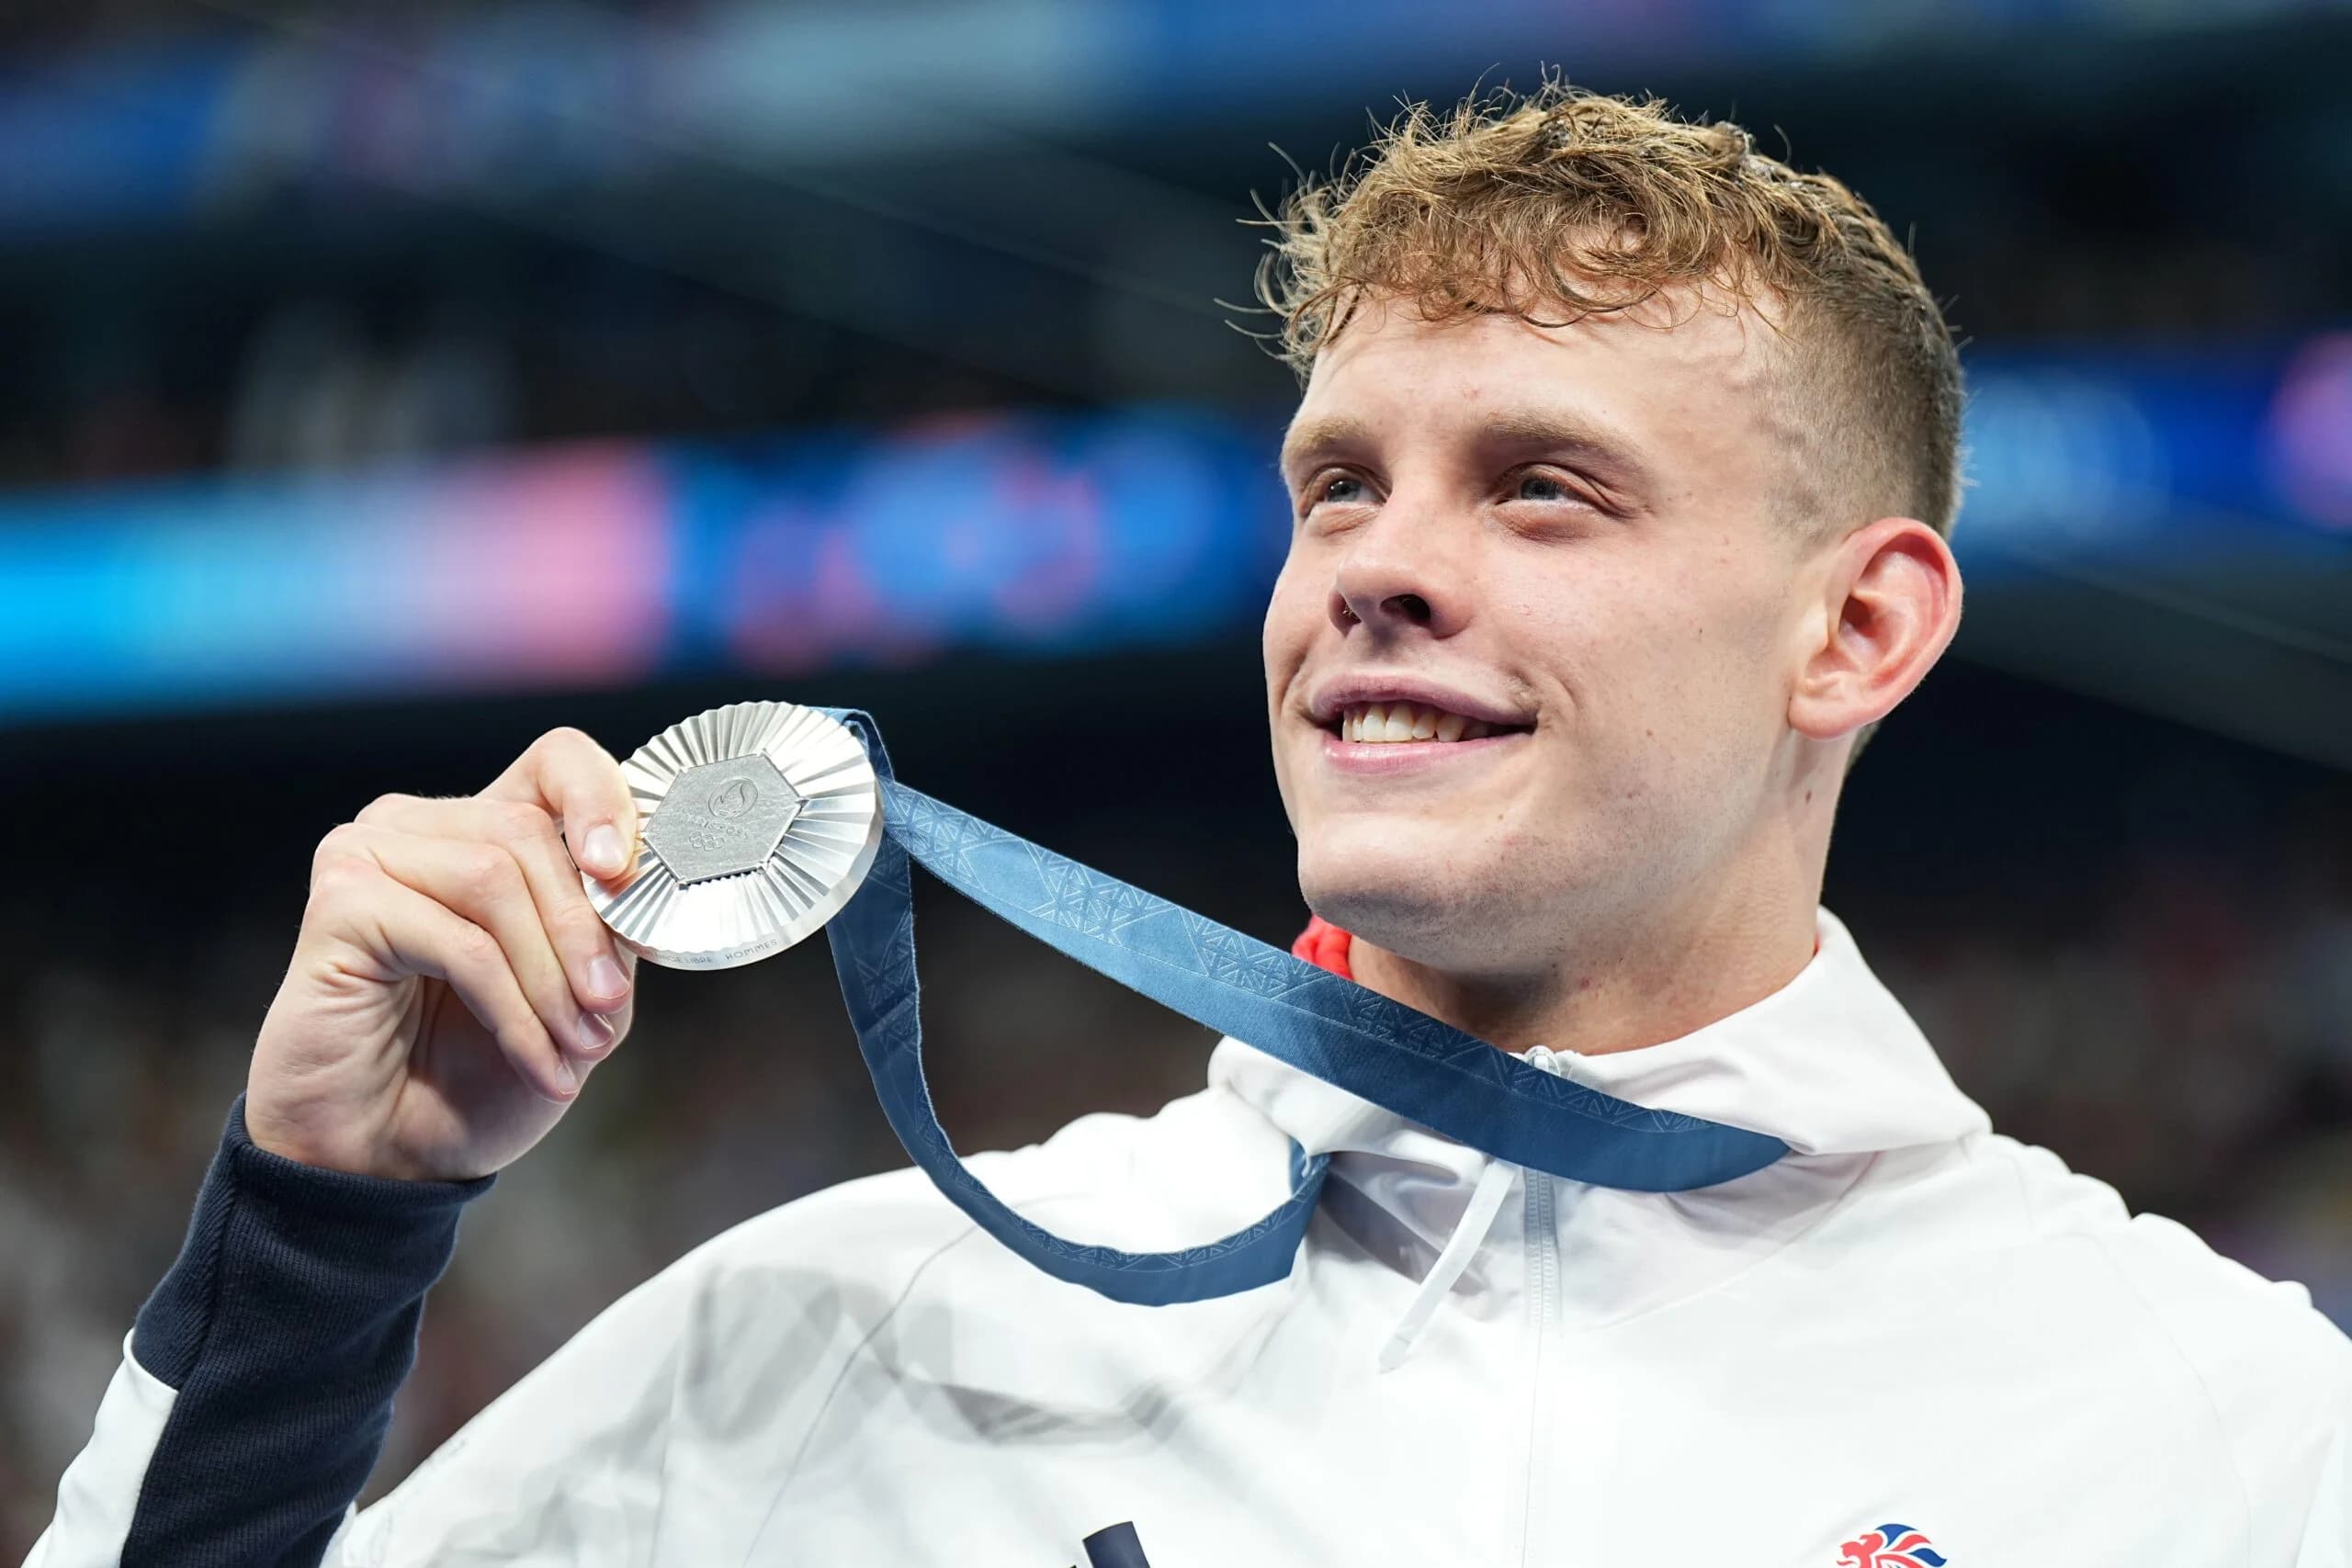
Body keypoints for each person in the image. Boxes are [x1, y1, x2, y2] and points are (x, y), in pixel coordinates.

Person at [29, 85, 2350, 1568]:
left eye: (1540, 485)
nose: (1375, 562)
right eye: (1336, 481)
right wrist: (324, 1230)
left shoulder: (2218, 1432)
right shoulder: (868, 1327)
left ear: (1852, 628)